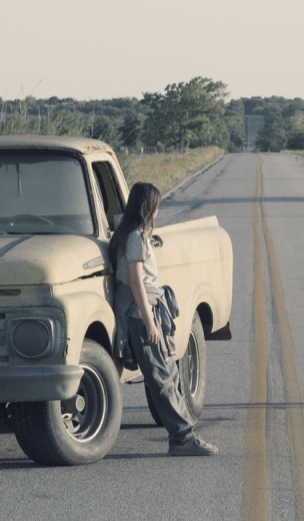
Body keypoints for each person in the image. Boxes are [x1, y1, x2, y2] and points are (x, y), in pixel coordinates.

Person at [109, 182, 219, 456]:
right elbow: (135, 281)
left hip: (143, 306)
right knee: (160, 376)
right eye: (156, 205)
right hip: (139, 310)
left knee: (168, 371)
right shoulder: (135, 236)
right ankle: (182, 438)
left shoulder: (129, 232)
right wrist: (150, 321)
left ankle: (184, 431)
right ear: (148, 207)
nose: (158, 211)